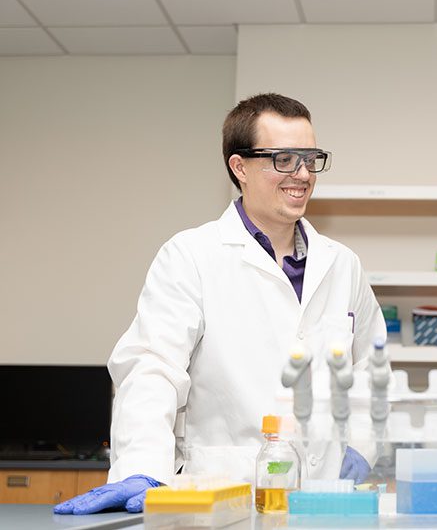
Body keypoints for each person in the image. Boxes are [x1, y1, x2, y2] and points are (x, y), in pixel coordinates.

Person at [54, 93, 386, 514]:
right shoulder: (191, 256)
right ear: (239, 167)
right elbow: (153, 368)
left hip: (325, 498)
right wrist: (142, 467)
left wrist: (360, 448)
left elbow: (370, 371)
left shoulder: (342, 264)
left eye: (310, 157)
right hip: (222, 497)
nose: (302, 174)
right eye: (284, 159)